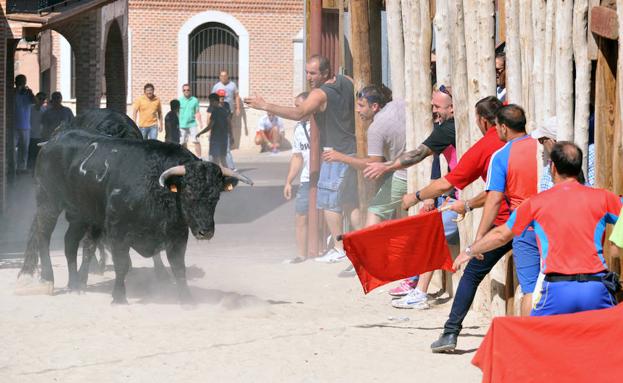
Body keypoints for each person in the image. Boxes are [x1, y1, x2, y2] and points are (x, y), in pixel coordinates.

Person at [454, 141, 622, 316]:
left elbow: (501, 235)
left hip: (557, 290)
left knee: (536, 338)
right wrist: (616, 246)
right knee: (606, 339)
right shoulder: (604, 198)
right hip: (596, 289)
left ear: (553, 168)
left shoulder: (535, 203)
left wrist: (470, 250)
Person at [244, 54, 357, 263]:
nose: (309, 77)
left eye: (313, 73)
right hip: (352, 148)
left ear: (325, 72)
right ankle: (361, 245)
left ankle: (340, 248)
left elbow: (299, 113)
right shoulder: (347, 81)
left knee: (329, 203)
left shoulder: (320, 94)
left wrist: (265, 105)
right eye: (306, 72)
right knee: (350, 203)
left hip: (335, 153)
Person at [362, 85, 459, 307]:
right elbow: (436, 161)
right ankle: (414, 282)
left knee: (430, 233)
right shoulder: (444, 126)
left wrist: (387, 167)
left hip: (461, 197)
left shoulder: (449, 128)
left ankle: (420, 292)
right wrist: (430, 197)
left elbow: (418, 154)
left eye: (437, 106)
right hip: (450, 192)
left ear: (452, 108)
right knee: (425, 230)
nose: (433, 110)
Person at [283, 92, 311, 263]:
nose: (295, 110)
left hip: (323, 177)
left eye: (298, 106)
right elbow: (297, 157)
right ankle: (301, 254)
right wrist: (288, 181)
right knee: (301, 215)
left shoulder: (320, 124)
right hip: (306, 179)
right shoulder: (298, 128)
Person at [531, 116, 595, 190]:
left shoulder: (591, 153)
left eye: (541, 140)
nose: (541, 145)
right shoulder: (592, 151)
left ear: (553, 141)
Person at [197, 93, 231, 167]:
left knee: (214, 159)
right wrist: (231, 135)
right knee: (223, 159)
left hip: (216, 139)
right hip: (224, 138)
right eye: (210, 101)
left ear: (216, 101)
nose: (210, 103)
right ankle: (228, 176)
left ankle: (216, 175)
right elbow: (229, 123)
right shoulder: (224, 110)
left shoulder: (215, 112)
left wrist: (200, 133)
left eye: (211, 101)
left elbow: (210, 126)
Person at [14, 74, 35, 173]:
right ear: (16, 82)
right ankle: (13, 166)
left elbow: (36, 102)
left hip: (26, 127)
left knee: (24, 148)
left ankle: (22, 168)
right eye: (20, 82)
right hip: (13, 126)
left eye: (23, 82)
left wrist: (31, 93)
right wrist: (17, 90)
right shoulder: (13, 93)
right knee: (13, 148)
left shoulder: (28, 94)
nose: (22, 84)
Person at [178, 84, 202, 155]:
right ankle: (185, 157)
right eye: (184, 90)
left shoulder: (195, 100)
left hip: (192, 124)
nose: (186, 91)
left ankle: (199, 157)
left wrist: (200, 122)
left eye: (188, 90)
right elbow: (177, 113)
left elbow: (197, 112)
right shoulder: (179, 100)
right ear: (182, 91)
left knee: (196, 141)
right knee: (182, 142)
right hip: (182, 124)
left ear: (190, 90)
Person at [28, 92, 47, 170]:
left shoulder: (45, 110)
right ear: (36, 98)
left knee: (37, 156)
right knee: (29, 155)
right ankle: (28, 170)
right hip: (30, 135)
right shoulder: (29, 108)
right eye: (40, 99)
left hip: (39, 136)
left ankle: (35, 171)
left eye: (43, 99)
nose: (41, 101)